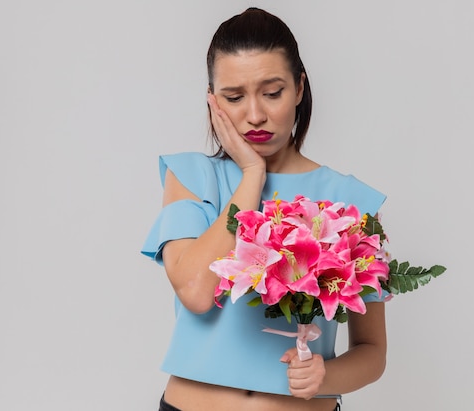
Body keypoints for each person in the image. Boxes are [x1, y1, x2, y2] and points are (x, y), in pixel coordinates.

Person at [141, 7, 388, 411]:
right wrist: (252, 173)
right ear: (212, 101)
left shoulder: (352, 201)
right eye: (234, 97)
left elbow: (372, 350)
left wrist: (326, 376)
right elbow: (196, 293)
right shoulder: (191, 176)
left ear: (299, 88)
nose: (255, 115)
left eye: (272, 93)